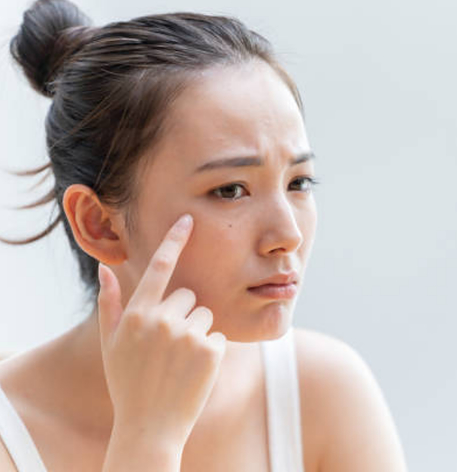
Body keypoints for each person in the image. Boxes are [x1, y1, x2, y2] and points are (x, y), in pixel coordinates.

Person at [0, 0, 408, 470]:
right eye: (230, 190)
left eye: (298, 183)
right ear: (100, 224)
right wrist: (146, 439)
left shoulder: (322, 393)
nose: (288, 236)